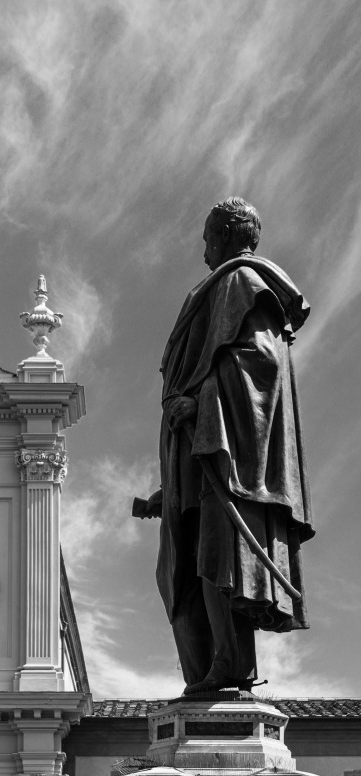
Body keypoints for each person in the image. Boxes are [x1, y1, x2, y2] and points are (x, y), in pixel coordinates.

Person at [135, 197, 312, 695]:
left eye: (209, 239)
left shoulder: (242, 282)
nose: (204, 250)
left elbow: (261, 364)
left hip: (227, 455)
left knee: (219, 559)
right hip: (196, 459)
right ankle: (206, 674)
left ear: (230, 237)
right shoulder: (219, 288)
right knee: (183, 572)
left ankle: (229, 669)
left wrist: (203, 405)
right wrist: (167, 485)